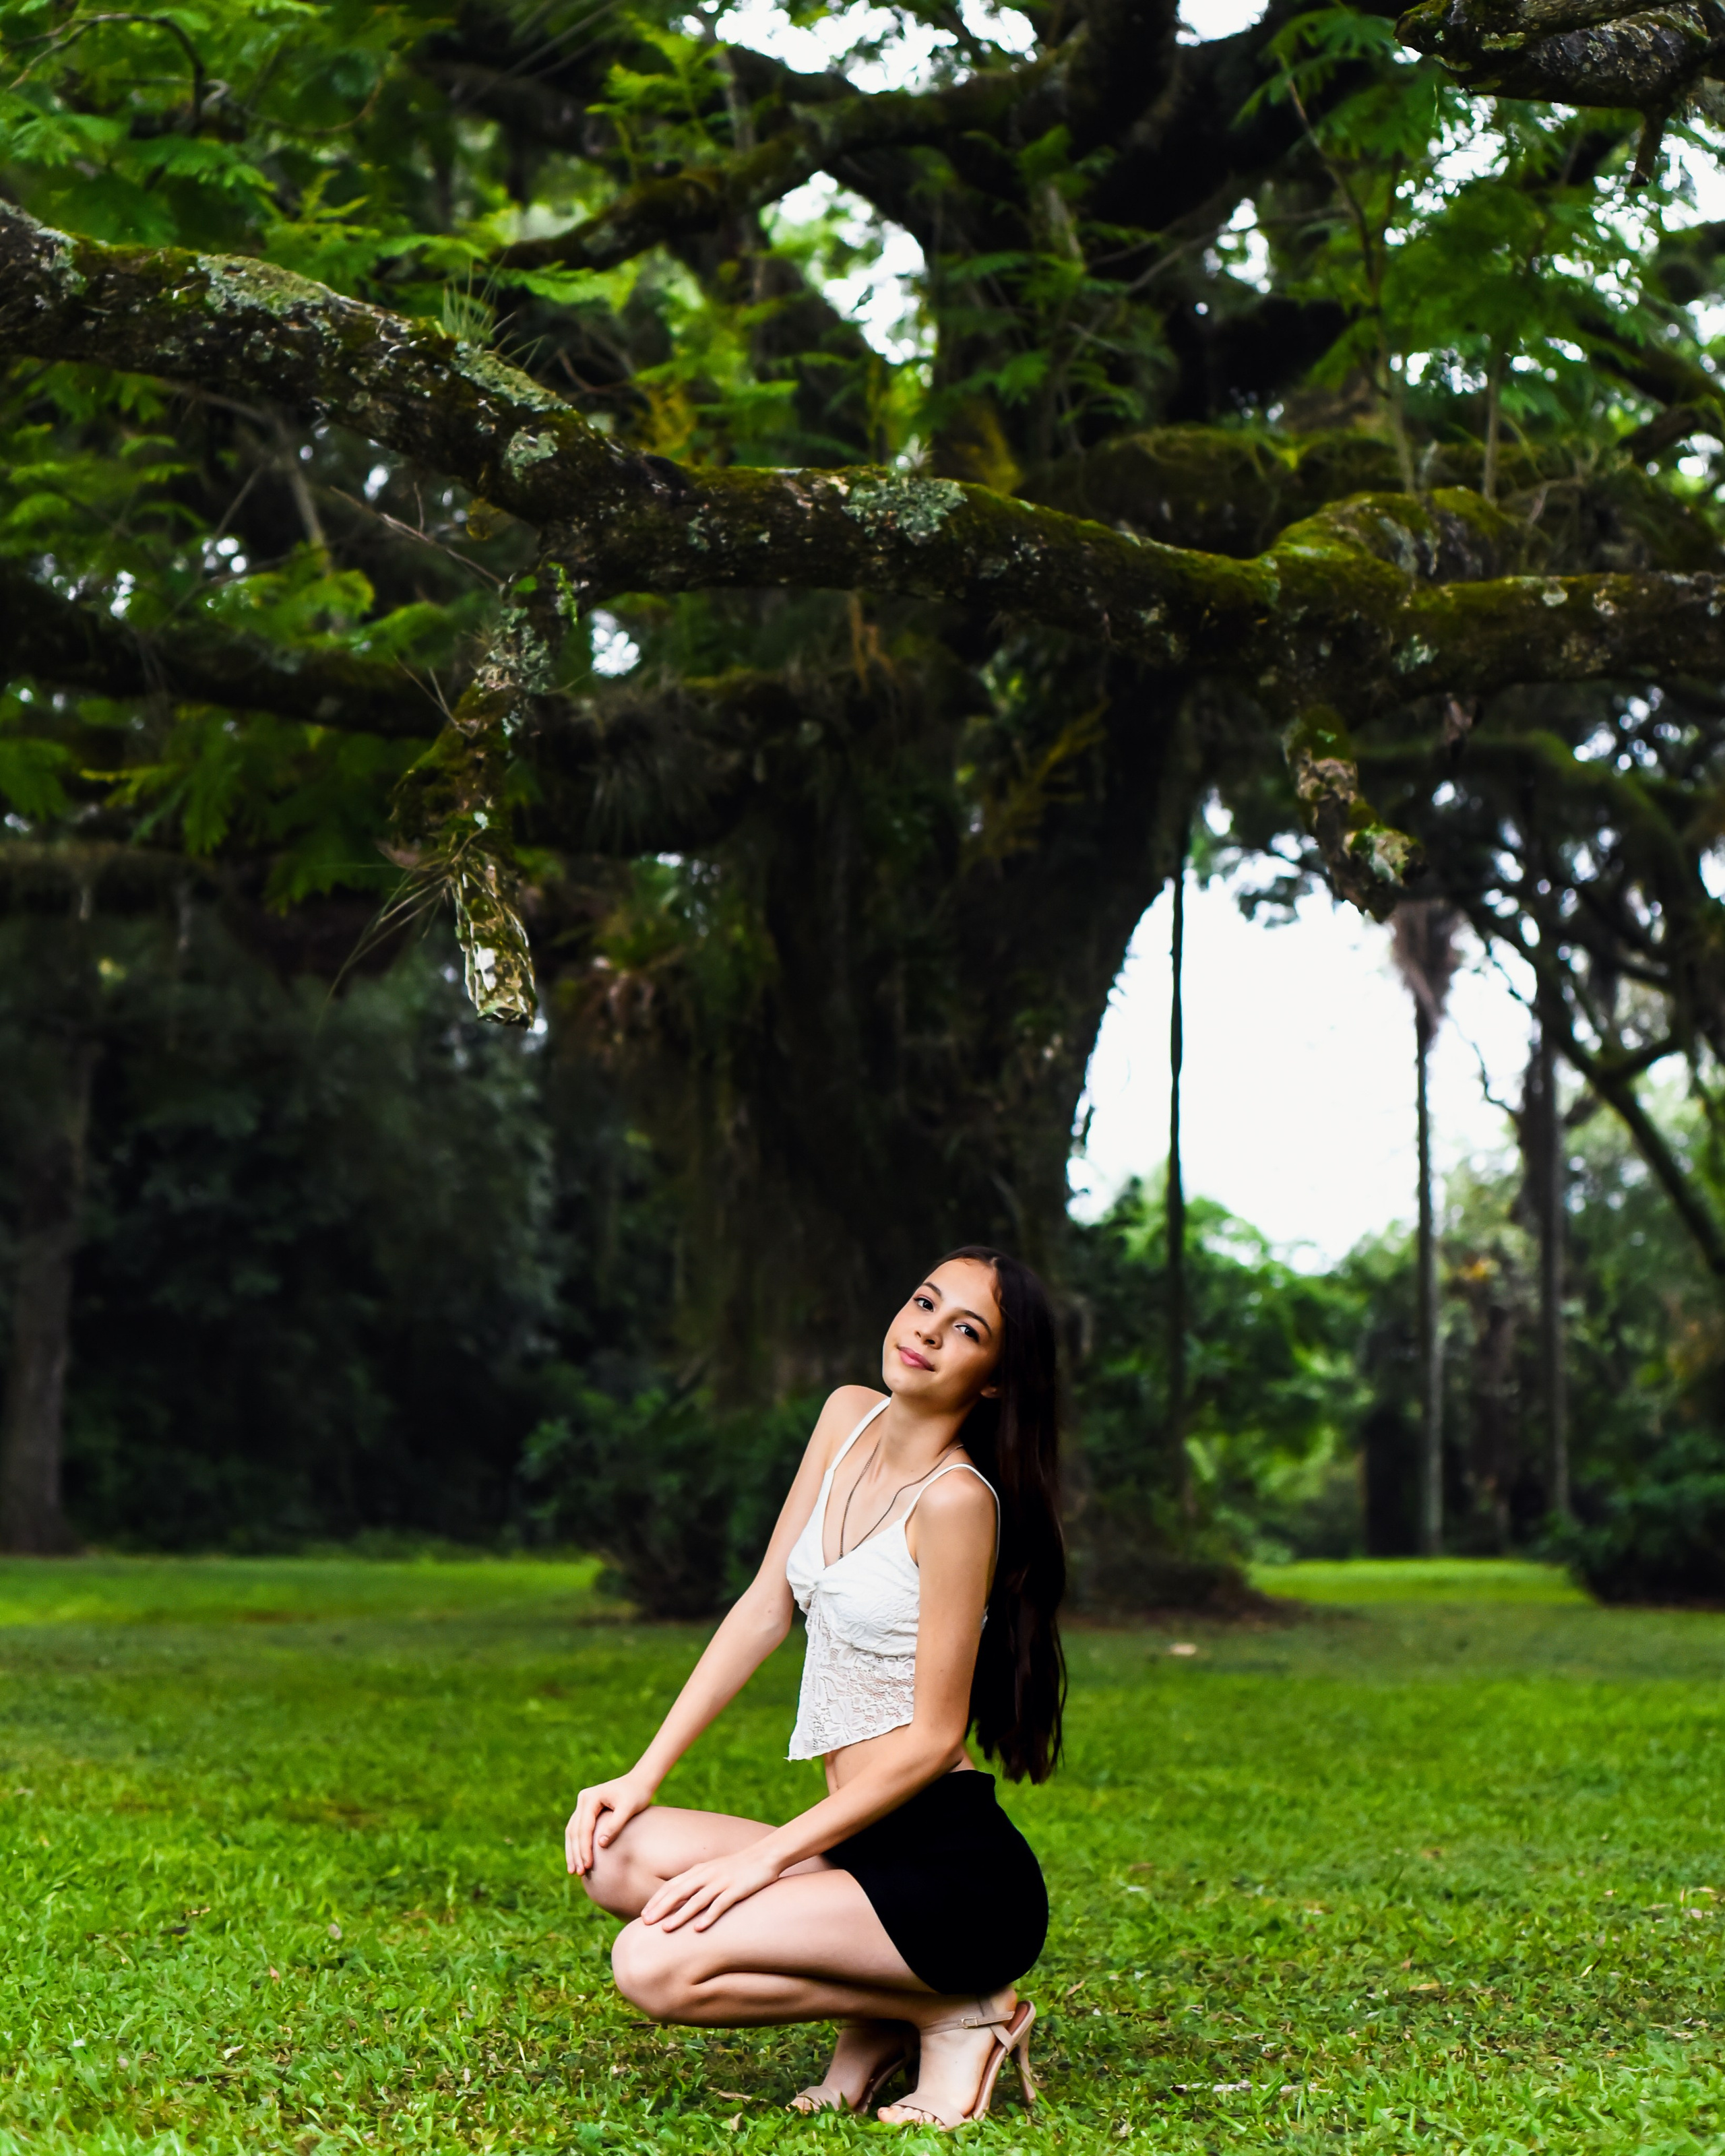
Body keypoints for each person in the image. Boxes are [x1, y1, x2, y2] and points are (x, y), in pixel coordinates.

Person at [565, 1244, 1067, 2129]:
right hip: (863, 1853)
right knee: (614, 1853)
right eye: (924, 1303)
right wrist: (639, 1776)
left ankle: (958, 2009)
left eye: (967, 1330)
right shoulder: (846, 1417)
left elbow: (934, 1741)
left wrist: (762, 1859)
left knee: (651, 1962)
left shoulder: (958, 1503)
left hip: (953, 1880)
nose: (927, 1334)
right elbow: (765, 1607)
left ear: (992, 1378)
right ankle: (888, 2010)